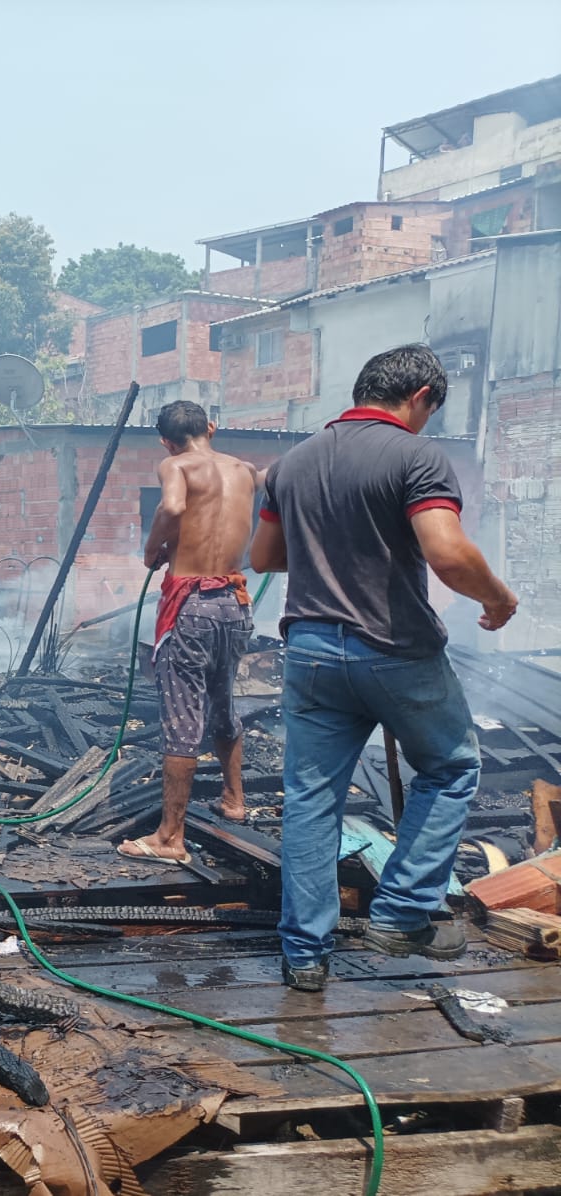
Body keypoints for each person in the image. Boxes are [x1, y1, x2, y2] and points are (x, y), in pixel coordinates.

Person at [251, 344, 518, 992]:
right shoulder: (416, 455)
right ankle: (400, 914)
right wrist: (499, 598)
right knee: (453, 768)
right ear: (422, 395)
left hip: (311, 651)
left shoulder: (293, 463)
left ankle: (305, 958)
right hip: (393, 649)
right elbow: (447, 553)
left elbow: (264, 556)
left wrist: (333, 550)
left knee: (312, 801)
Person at [117, 400, 259, 865]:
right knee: (224, 699)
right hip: (235, 603)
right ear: (212, 428)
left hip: (191, 604)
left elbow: (174, 506)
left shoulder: (175, 465)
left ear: (165, 441)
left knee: (182, 719)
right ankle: (234, 800)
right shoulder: (245, 469)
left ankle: (169, 839)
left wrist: (152, 547)